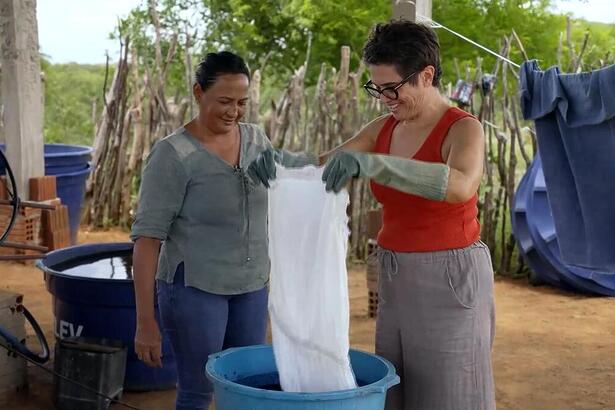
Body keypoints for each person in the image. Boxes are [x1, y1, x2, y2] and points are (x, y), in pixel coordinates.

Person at [249, 20, 495, 410]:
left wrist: (376, 166)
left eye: (392, 88)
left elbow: (461, 184)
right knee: (393, 387)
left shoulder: (463, 129)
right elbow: (323, 165)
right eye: (376, 89)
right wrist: (281, 162)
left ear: (426, 75)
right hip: (393, 274)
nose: (384, 98)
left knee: (448, 392)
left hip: (450, 277)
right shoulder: (383, 128)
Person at [130, 51, 314, 410]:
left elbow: (292, 172)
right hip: (195, 290)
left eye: (242, 102)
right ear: (199, 93)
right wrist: (145, 321)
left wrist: (343, 157)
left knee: (246, 387)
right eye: (225, 101)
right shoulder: (173, 155)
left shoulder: (256, 140)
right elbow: (147, 241)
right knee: (199, 392)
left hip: (251, 286)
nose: (234, 111)